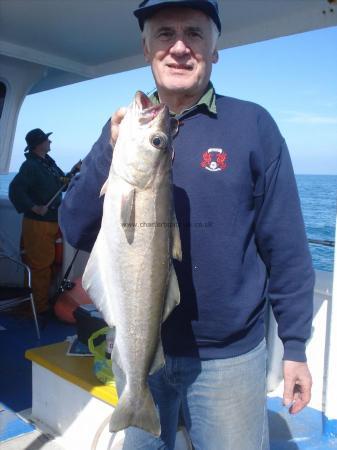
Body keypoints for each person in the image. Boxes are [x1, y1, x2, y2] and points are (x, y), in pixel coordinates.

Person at [59, 1, 314, 449]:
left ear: (215, 48)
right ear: (145, 48)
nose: (179, 47)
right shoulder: (124, 132)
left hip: (230, 359)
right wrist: (109, 147)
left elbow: (287, 246)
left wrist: (294, 347)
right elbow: (76, 229)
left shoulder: (254, 125)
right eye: (164, 34)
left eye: (194, 34)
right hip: (136, 351)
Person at [9, 128, 81, 314]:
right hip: (38, 224)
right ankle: (38, 307)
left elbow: (61, 183)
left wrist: (73, 172)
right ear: (39, 144)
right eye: (47, 140)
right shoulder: (31, 166)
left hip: (52, 221)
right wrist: (34, 207)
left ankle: (42, 302)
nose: (50, 143)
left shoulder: (47, 164)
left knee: (49, 264)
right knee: (40, 266)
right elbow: (15, 190)